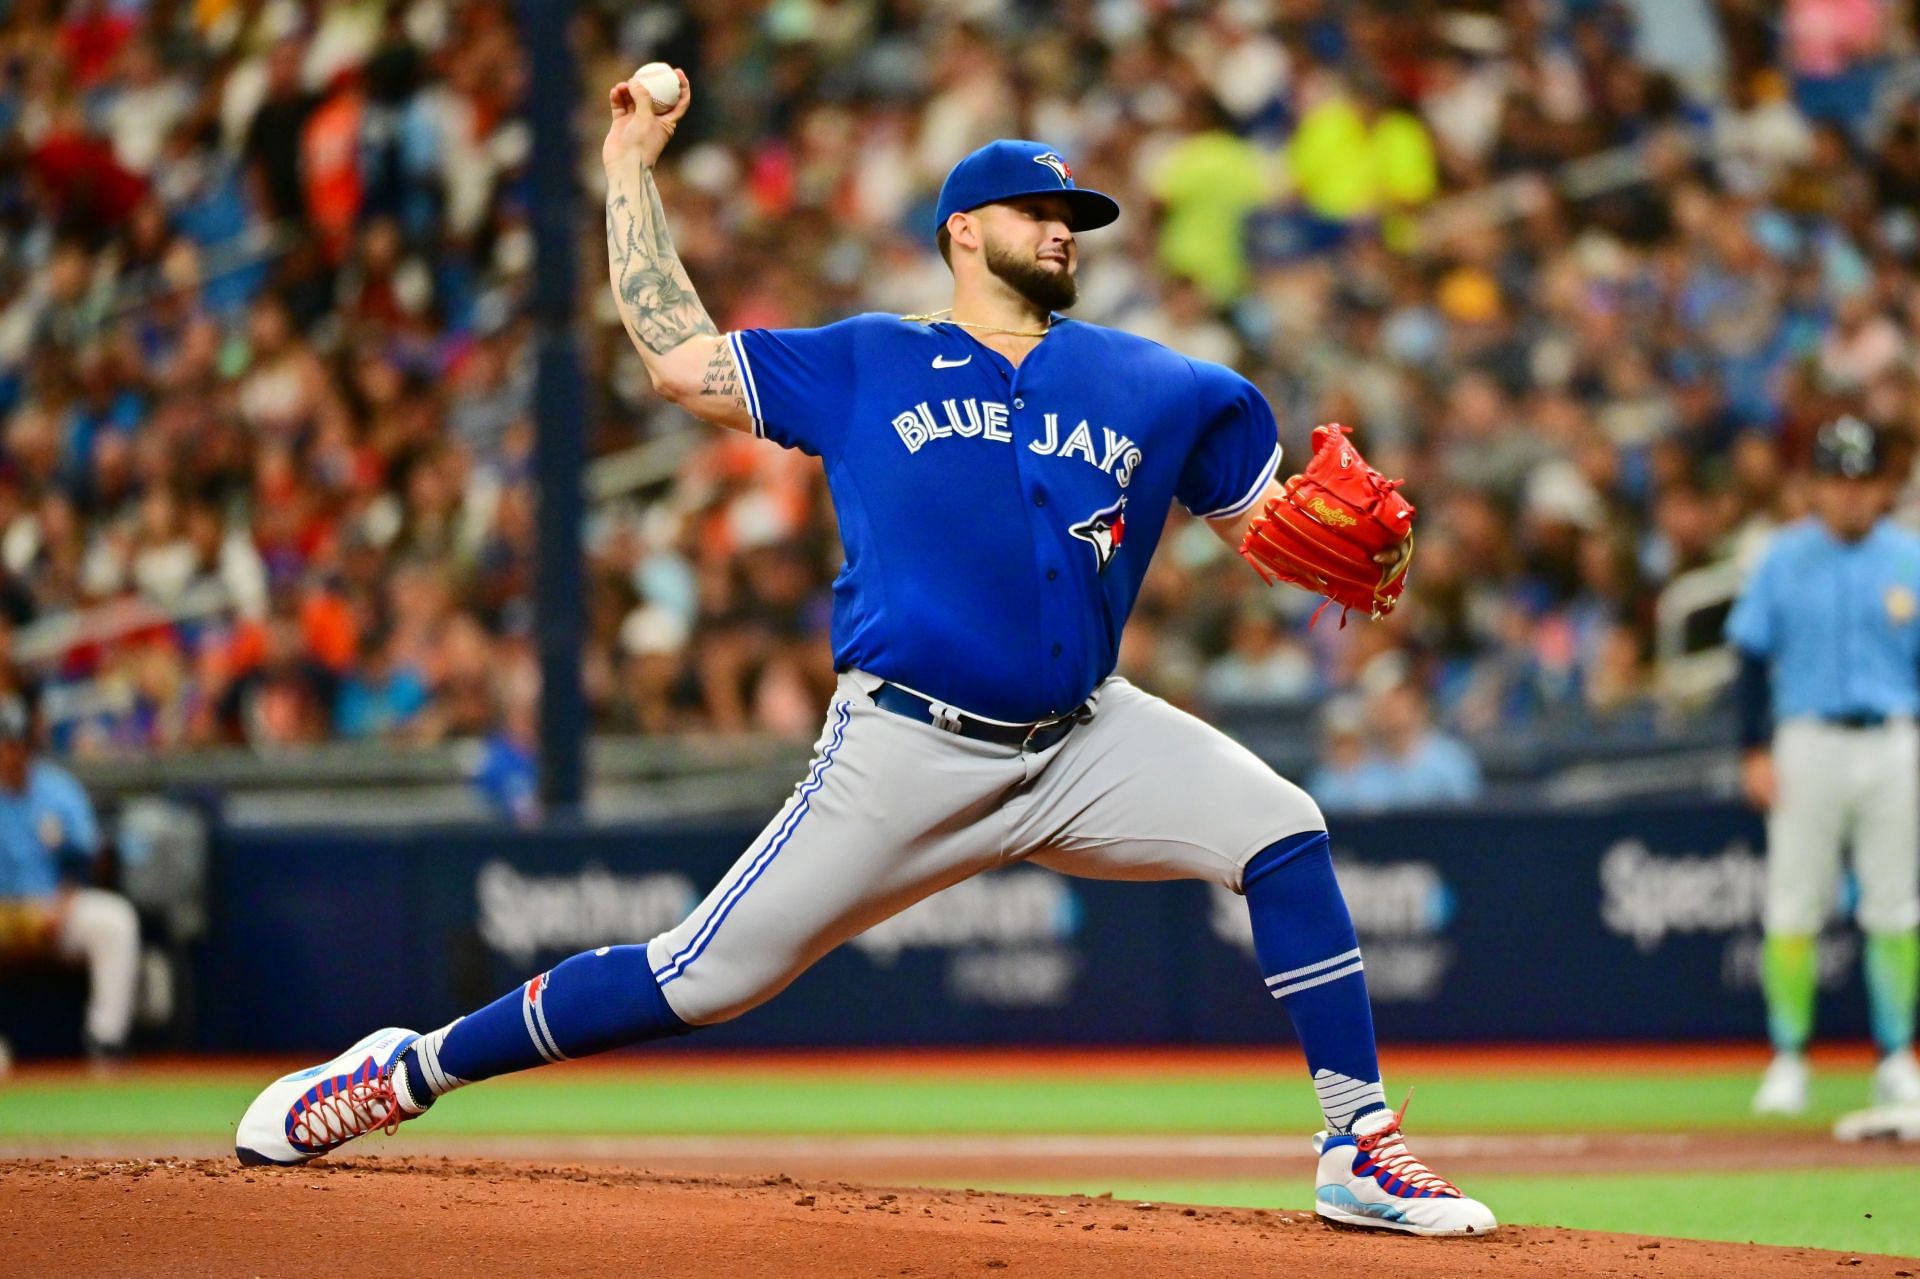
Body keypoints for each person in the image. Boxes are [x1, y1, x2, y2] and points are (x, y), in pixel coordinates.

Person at [235, 68, 1495, 1239]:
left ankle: (1358, 1142)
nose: (1062, 230)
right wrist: (630, 161)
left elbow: (1268, 521)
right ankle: (403, 1069)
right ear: (961, 229)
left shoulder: (1155, 384)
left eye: (1075, 215)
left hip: (1086, 737)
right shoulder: (865, 360)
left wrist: (1315, 531)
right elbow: (678, 356)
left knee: (1283, 829)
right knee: (698, 979)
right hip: (906, 745)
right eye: (1034, 209)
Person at [1726, 416, 1920, 1117]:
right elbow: (1749, 658)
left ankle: (1897, 1056)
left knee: (1895, 904)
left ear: (1881, 484)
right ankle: (1789, 1056)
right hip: (1805, 738)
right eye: (1836, 480)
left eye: (1861, 480)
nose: (1850, 495)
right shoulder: (1782, 556)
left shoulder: (1910, 555)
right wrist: (1752, 748)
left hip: (1893, 736)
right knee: (1793, 903)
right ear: (1813, 486)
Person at [0, 695, 139, 1063]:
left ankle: (105, 1041)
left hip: (51, 908)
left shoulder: (57, 790)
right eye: (2, 745)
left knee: (115, 920)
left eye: (14, 745)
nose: (8, 755)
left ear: (28, 746)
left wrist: (61, 906)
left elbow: (86, 862)